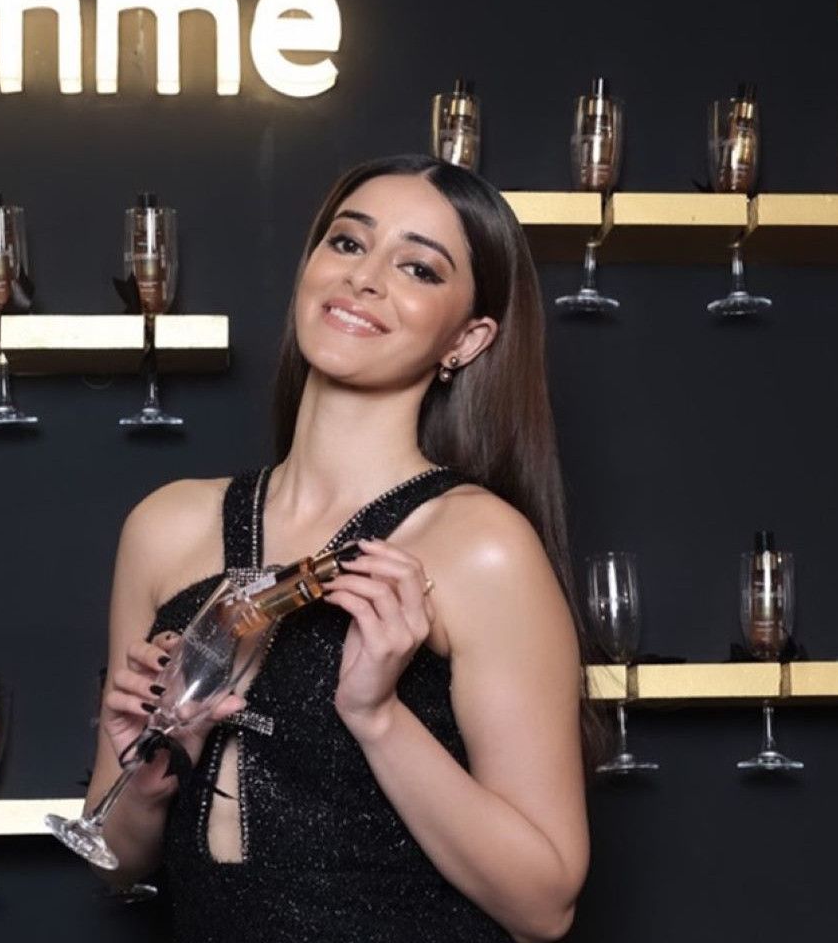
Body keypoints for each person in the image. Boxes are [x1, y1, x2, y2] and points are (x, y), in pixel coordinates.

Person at [84, 154, 592, 942]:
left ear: (467, 337)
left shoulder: (478, 545)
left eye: (419, 268)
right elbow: (116, 862)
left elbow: (544, 905)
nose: (366, 279)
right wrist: (149, 778)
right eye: (348, 245)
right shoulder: (167, 526)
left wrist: (377, 715)